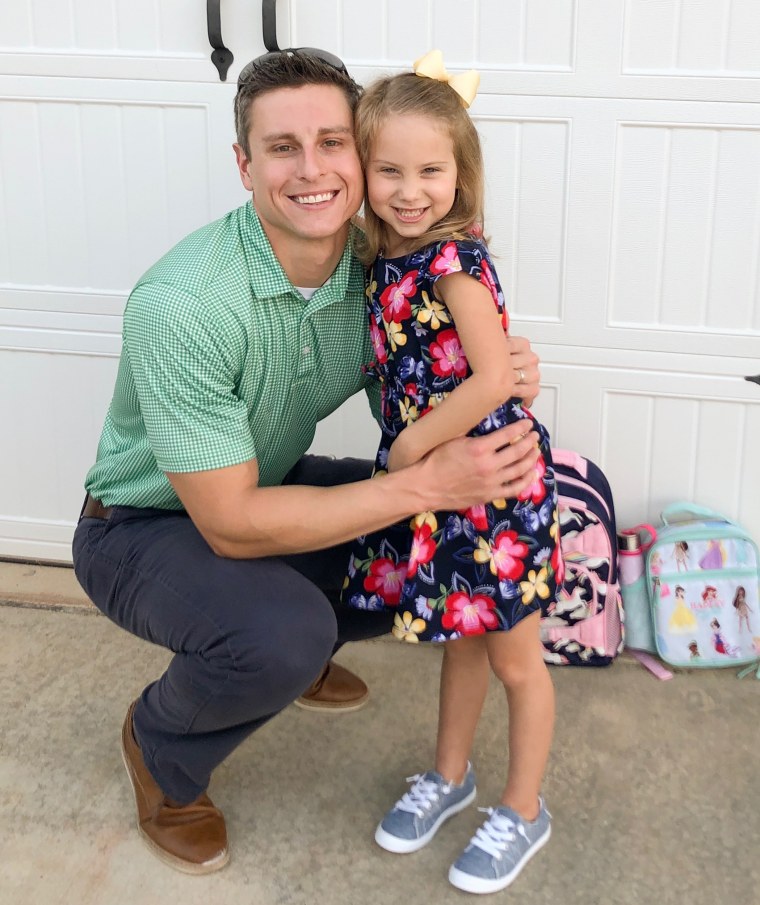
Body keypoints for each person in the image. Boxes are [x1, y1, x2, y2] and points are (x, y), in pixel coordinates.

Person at [71, 48, 544, 876]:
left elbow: (441, 362)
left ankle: (291, 654)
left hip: (266, 485)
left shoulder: (374, 268)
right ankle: (164, 748)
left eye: (333, 142)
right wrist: (423, 479)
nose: (312, 168)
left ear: (361, 158)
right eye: (283, 147)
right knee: (285, 630)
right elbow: (230, 522)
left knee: (427, 546)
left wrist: (503, 367)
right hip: (141, 529)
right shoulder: (183, 304)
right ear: (244, 162)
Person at [340, 52, 559, 895]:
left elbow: (496, 377)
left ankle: (523, 806)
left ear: (460, 175)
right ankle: (450, 774)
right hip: (447, 487)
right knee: (460, 642)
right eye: (387, 169)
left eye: (430, 169)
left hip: (492, 486)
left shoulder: (452, 262)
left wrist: (406, 450)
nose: (408, 189)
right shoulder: (385, 266)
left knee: (515, 661)